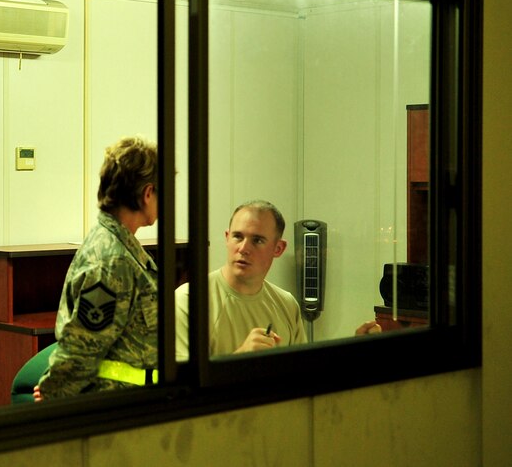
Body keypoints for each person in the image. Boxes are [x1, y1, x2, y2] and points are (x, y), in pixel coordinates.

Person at [175, 200, 380, 361]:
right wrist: (240, 358)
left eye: (257, 240)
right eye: (238, 236)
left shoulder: (286, 304)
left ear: (278, 249)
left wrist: (355, 352)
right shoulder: (188, 300)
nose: (244, 248)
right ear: (227, 238)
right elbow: (182, 391)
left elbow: (304, 378)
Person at [35, 136, 159, 400]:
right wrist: (53, 394)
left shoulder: (118, 245)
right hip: (112, 407)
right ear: (148, 194)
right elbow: (83, 347)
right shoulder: (113, 261)